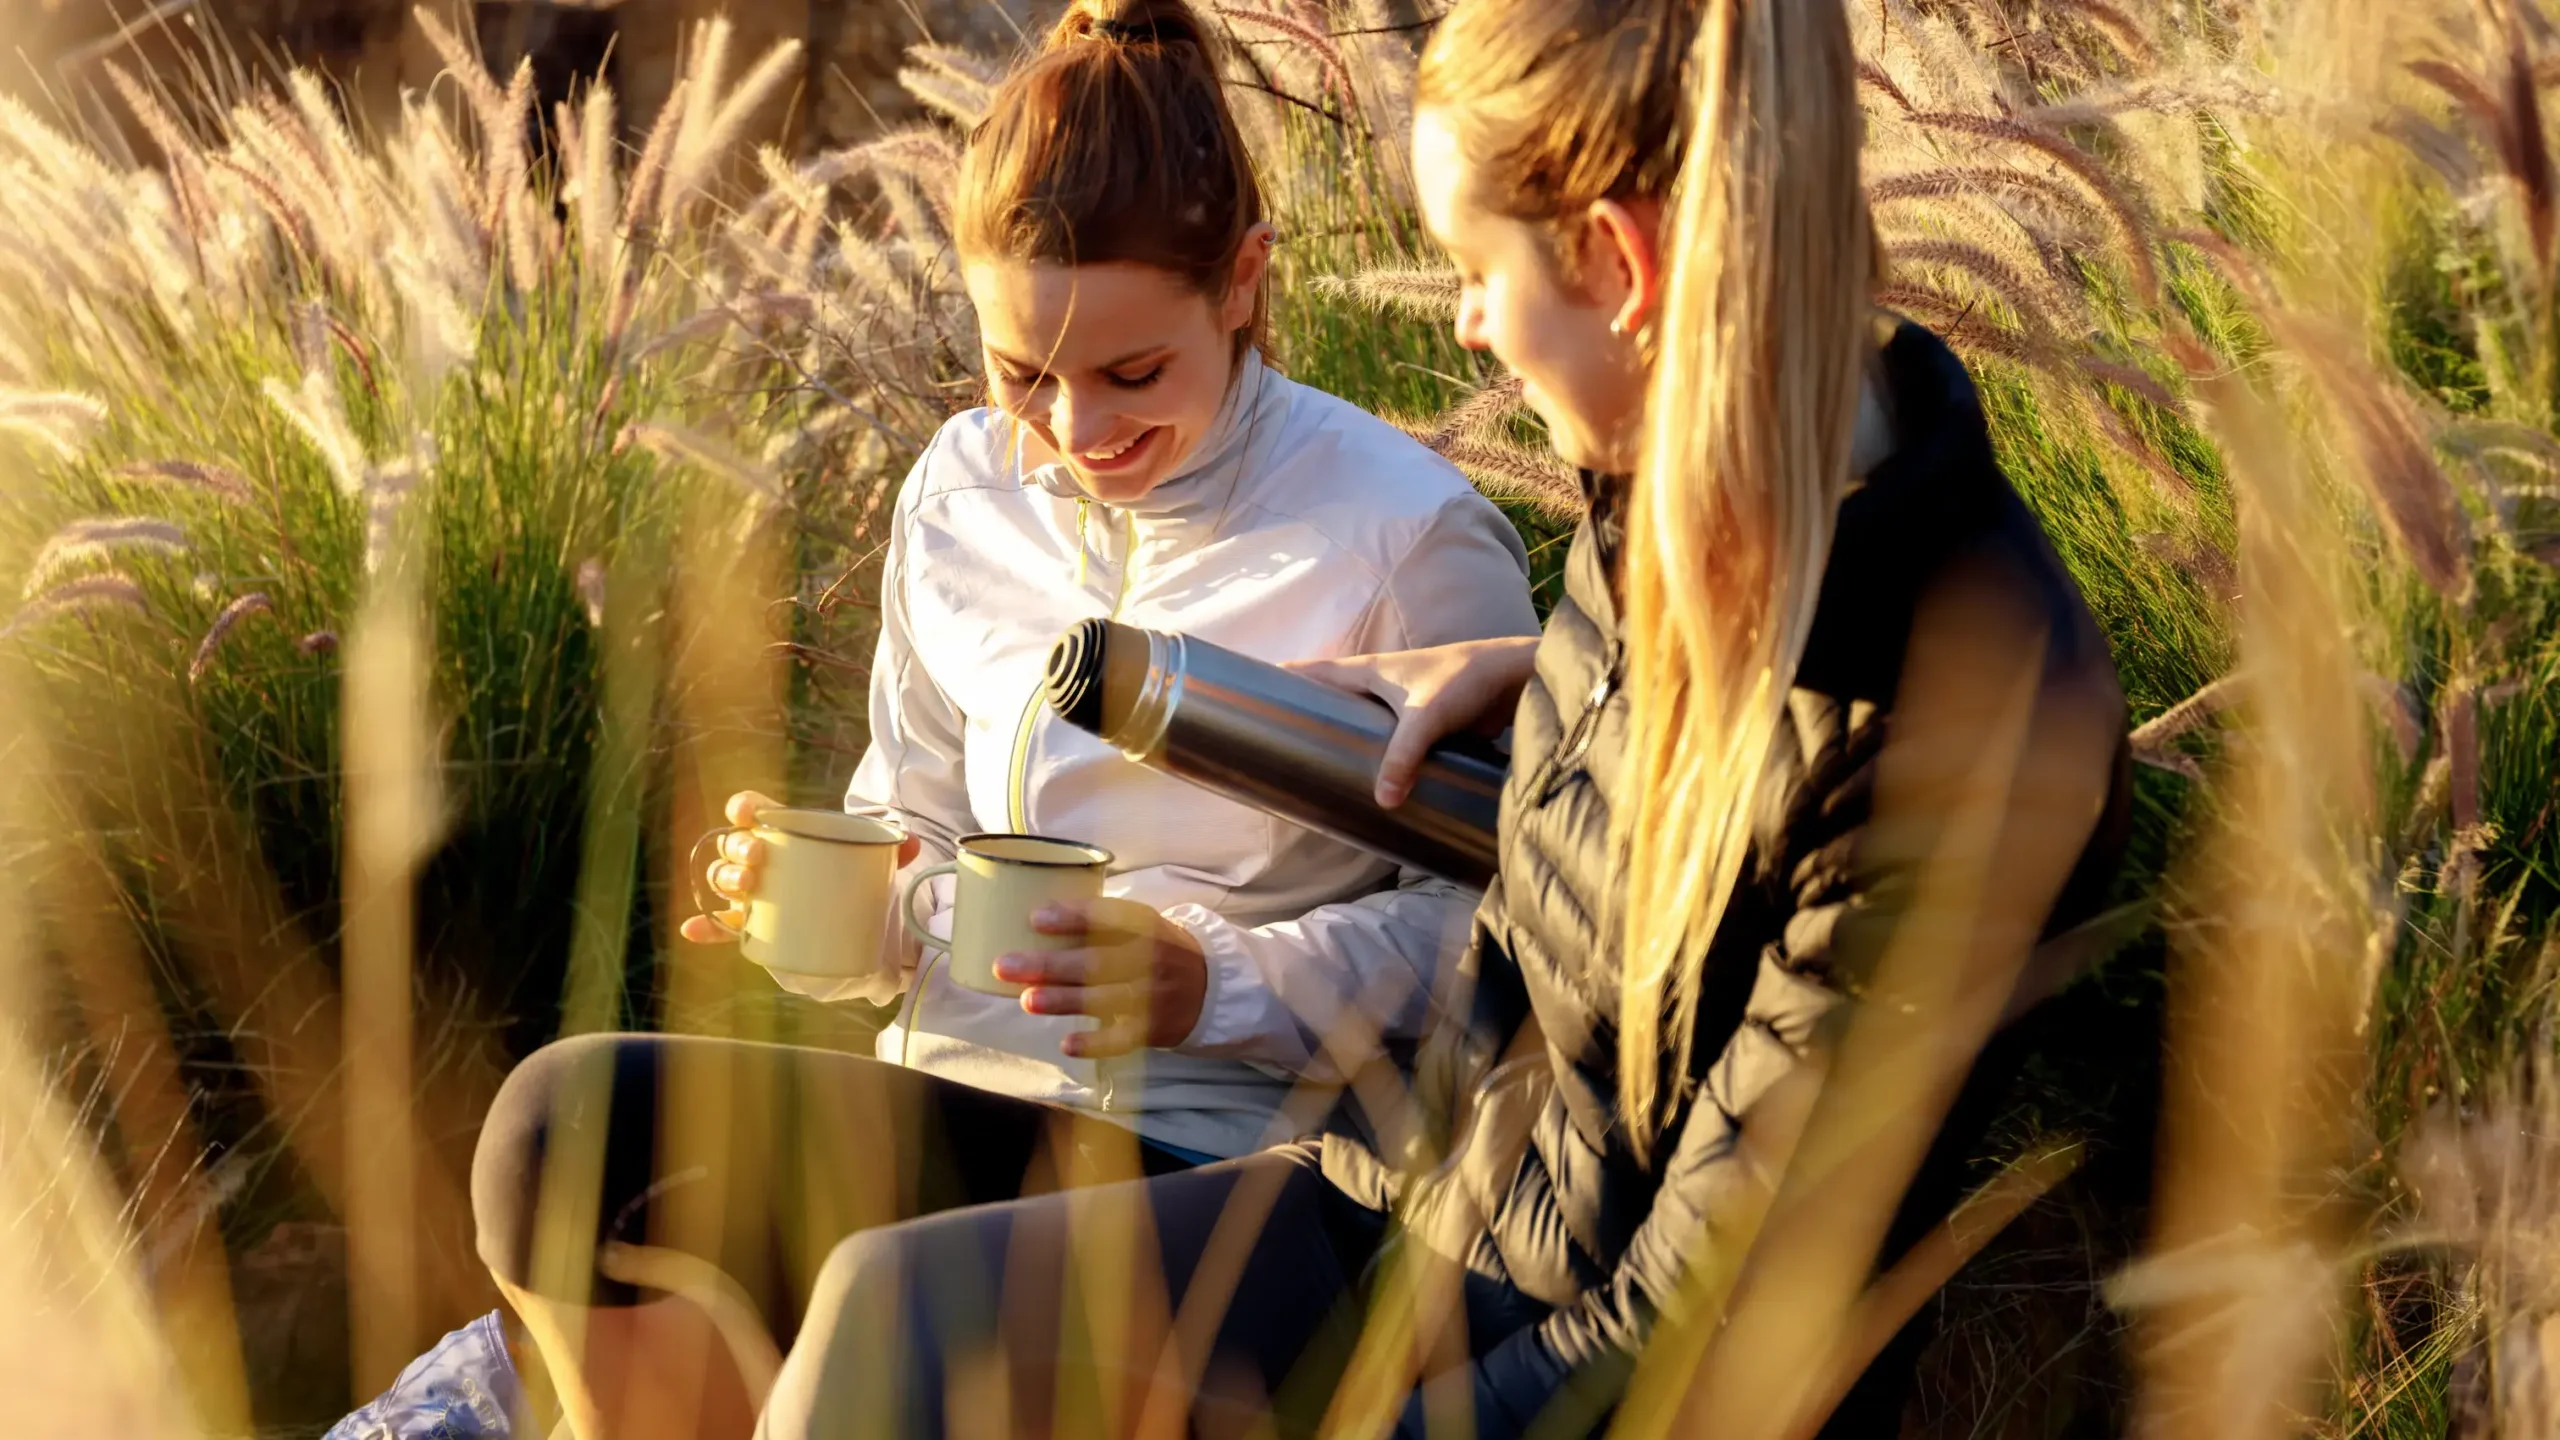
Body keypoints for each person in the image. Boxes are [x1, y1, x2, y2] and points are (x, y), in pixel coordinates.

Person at [751, 0, 2136, 1433]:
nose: (1466, 325)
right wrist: (1547, 680)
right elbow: (1529, 974)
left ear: (1621, 262)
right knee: (885, 1313)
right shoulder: (1651, 507)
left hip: (1575, 1354)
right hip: (1412, 1206)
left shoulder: (1971, 718)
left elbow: (1706, 1315)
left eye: (1479, 271)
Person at [440, 2, 1543, 1436]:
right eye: (1021, 375)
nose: (1074, 436)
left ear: (1245, 285)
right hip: (962, 1096)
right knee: (553, 1128)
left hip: (1219, 1161)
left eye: (1130, 375)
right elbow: (917, 831)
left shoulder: (1407, 535)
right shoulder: (960, 487)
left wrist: (1212, 983)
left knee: (896, 1293)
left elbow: (1496, 948)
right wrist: (844, 910)